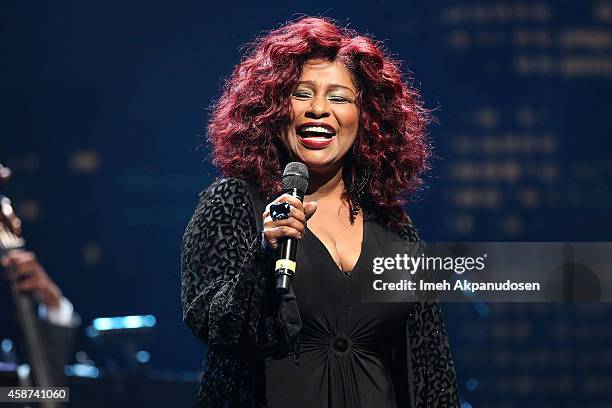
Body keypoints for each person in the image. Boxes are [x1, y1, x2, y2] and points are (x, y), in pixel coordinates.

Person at [181, 17, 459, 407]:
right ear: (272, 111)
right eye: (300, 94)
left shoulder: (396, 227)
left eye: (339, 97)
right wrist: (264, 255)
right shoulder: (230, 204)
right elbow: (218, 328)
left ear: (367, 118)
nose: (318, 109)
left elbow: (432, 371)